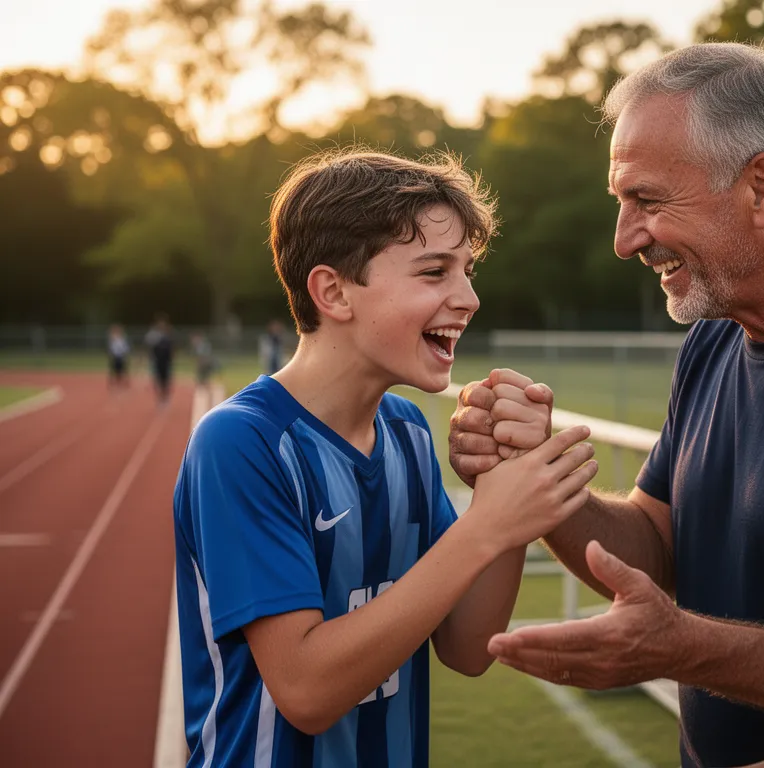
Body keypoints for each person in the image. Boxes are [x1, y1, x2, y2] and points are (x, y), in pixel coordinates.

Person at [449, 43, 764, 768]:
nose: (625, 240)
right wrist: (538, 475)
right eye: (621, 203)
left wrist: (684, 648)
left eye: (648, 201)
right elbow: (655, 547)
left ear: (761, 188)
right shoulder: (714, 342)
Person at [172, 149, 598, 767]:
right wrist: (486, 527)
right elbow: (307, 691)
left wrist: (502, 484)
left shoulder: (405, 431)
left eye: (468, 270)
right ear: (333, 291)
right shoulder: (242, 443)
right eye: (434, 273)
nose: (470, 297)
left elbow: (470, 647)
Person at [145, 314, 174, 405]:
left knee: (166, 381)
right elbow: (150, 347)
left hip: (166, 362)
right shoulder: (154, 336)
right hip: (157, 361)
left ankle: (165, 397)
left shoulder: (168, 336)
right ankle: (160, 397)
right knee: (158, 380)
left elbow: (171, 349)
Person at [190, 331, 219, 397]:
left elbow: (203, 357)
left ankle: (208, 393)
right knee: (201, 380)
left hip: (205, 365)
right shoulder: (200, 345)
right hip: (204, 365)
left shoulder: (202, 345)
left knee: (204, 380)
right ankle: (205, 393)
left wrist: (200, 364)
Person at [107, 324, 130, 389]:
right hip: (115, 356)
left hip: (121, 356)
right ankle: (113, 383)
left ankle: (124, 382)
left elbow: (125, 348)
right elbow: (111, 348)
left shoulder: (122, 339)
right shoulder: (112, 339)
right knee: (114, 370)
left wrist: (125, 355)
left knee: (123, 370)